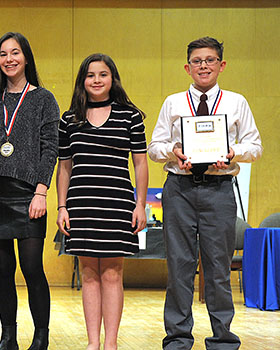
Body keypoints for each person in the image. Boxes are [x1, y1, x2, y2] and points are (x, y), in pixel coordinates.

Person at [148, 37, 262, 350]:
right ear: (187, 67)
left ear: (221, 65)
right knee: (179, 267)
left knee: (218, 269)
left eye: (210, 60)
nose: (204, 66)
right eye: (197, 61)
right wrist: (173, 150)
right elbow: (154, 147)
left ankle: (223, 339)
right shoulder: (173, 102)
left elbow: (255, 147)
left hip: (219, 189)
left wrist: (231, 151)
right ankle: (178, 339)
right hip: (179, 189)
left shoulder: (236, 102)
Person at [56, 53, 148, 350]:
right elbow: (65, 167)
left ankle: (111, 343)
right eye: (90, 75)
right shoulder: (69, 119)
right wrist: (61, 207)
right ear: (82, 80)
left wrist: (140, 204)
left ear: (113, 79)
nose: (96, 80)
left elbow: (141, 164)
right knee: (88, 273)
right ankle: (93, 343)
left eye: (103, 74)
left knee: (112, 272)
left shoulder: (130, 116)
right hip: (81, 204)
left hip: (117, 204)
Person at [0, 32, 59, 350]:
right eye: (3, 54)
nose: (9, 59)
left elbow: (50, 147)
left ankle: (41, 337)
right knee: (2, 270)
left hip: (29, 195)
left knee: (31, 268)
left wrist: (41, 191)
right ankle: (8, 336)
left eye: (15, 53)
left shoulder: (43, 99)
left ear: (26, 57)